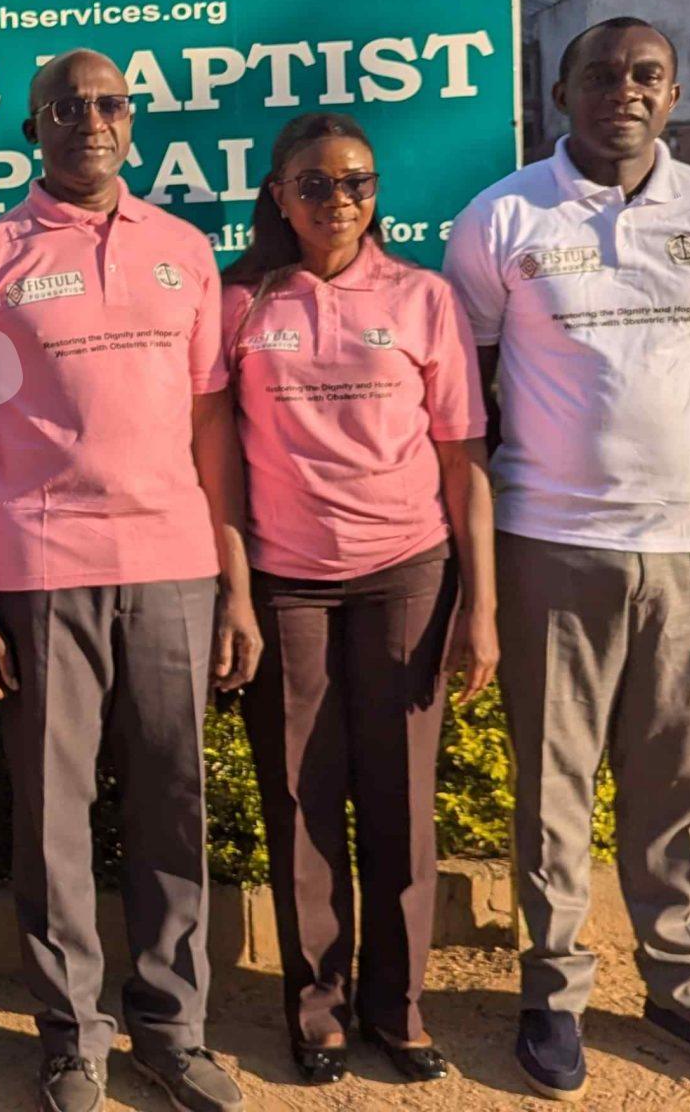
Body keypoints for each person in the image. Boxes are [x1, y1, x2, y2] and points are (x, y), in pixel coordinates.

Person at [442, 17, 690, 1102]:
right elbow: (474, 387)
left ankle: (677, 985)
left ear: (672, 95)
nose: (622, 92)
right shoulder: (501, 217)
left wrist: (658, 469)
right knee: (552, 779)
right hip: (549, 535)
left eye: (645, 76)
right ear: (561, 92)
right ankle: (553, 992)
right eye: (602, 74)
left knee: (669, 774)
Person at [0, 50, 249, 1112]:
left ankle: (171, 1026)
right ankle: (71, 1037)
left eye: (110, 104)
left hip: (173, 568)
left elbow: (212, 428)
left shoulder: (185, 253)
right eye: (66, 108)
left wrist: (234, 583)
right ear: (32, 128)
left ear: (131, 121)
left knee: (172, 804)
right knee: (54, 817)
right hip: (41, 569)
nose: (91, 122)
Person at [220, 112, 498, 1088]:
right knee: (299, 799)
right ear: (276, 195)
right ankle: (316, 1010)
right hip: (286, 578)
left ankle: (400, 1007)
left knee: (399, 802)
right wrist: (234, 593)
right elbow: (211, 461)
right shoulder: (240, 304)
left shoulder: (423, 298)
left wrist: (482, 609)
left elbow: (464, 460)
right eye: (314, 184)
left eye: (357, 183)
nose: (338, 200)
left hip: (407, 574)